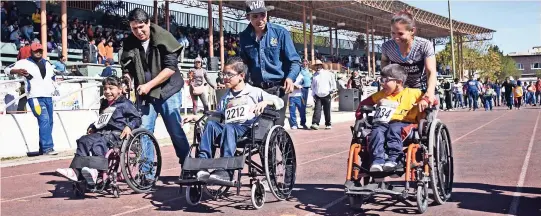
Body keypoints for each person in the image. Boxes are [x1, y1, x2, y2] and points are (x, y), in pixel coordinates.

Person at [183, 57, 284, 182]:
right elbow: (216, 115)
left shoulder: (254, 92)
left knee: (229, 128)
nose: (225, 77)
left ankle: (226, 171)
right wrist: (197, 117)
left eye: (229, 74)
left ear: (241, 76)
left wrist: (266, 102)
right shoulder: (226, 97)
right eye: (223, 74)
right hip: (228, 129)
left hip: (247, 129)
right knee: (210, 126)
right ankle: (202, 164)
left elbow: (279, 102)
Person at [120, 8, 190, 176]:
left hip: (168, 91)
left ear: (149, 23)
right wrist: (127, 81)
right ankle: (147, 173)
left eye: (141, 27)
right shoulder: (129, 42)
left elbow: (171, 68)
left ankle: (188, 166)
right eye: (134, 28)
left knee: (175, 130)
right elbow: (127, 69)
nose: (138, 32)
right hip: (145, 93)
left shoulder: (164, 37)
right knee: (144, 129)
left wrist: (149, 85)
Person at [55, 77, 141, 184]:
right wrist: (93, 126)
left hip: (118, 134)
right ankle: (75, 171)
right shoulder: (104, 103)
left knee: (99, 143)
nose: (107, 91)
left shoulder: (125, 103)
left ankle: (95, 170)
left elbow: (137, 118)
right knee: (83, 140)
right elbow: (102, 120)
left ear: (119, 89)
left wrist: (129, 126)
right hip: (103, 132)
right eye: (105, 89)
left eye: (111, 88)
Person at [354, 64, 428, 171]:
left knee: (394, 129)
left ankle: (395, 159)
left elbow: (433, 100)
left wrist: (424, 100)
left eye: (386, 80)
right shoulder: (382, 94)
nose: (382, 83)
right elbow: (364, 103)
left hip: (405, 123)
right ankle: (378, 160)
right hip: (383, 123)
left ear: (398, 82)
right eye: (381, 79)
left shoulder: (414, 93)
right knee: (376, 131)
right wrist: (359, 112)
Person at [239, 0, 301, 126]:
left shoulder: (281, 33)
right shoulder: (244, 37)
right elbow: (243, 64)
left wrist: (290, 78)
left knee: (276, 128)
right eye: (255, 16)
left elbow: (295, 61)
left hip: (278, 88)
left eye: (262, 15)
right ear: (247, 17)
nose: (260, 19)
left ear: (266, 14)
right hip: (256, 90)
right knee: (256, 129)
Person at [380, 10, 437, 111]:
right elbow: (384, 62)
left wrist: (430, 93)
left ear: (412, 31)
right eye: (393, 33)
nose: (396, 38)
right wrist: (385, 81)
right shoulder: (387, 47)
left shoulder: (424, 45)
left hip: (420, 87)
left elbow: (430, 71)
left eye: (400, 34)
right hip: (399, 88)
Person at [8, 42, 58, 155]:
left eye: (40, 50)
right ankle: (48, 148)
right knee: (44, 119)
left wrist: (55, 83)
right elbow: (7, 69)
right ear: (31, 51)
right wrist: (17, 71)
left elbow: (52, 76)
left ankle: (42, 148)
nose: (38, 52)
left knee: (49, 122)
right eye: (36, 51)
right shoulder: (24, 62)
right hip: (34, 97)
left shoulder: (47, 63)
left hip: (48, 96)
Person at [310, 60, 336, 130]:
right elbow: (313, 86)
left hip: (327, 94)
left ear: (322, 66)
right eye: (316, 65)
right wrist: (313, 95)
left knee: (327, 110)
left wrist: (333, 89)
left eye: (319, 65)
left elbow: (333, 82)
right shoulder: (314, 75)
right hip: (318, 95)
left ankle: (328, 123)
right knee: (317, 109)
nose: (318, 67)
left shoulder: (328, 73)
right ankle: (315, 123)